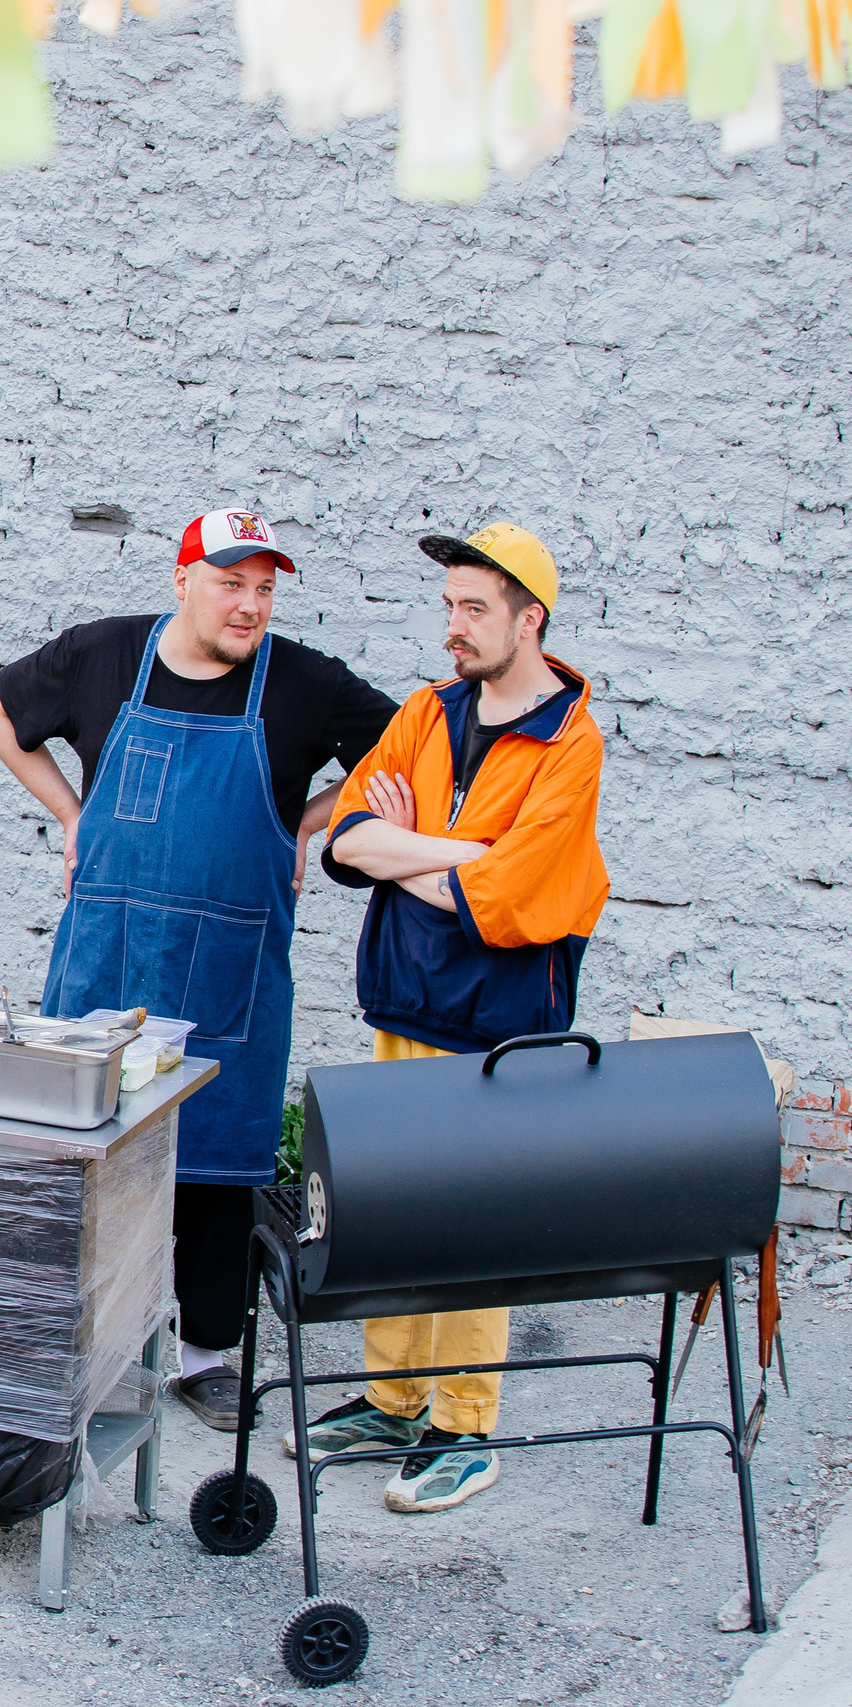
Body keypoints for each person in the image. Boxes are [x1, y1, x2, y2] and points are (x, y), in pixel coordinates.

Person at [0, 508, 399, 1432]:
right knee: (86, 1148)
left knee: (216, 1164)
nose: (249, 605)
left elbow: (406, 746)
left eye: (264, 589)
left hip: (230, 976)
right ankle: (74, 1339)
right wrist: (70, 811)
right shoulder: (104, 654)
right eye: (230, 582)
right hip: (109, 959)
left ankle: (205, 1356)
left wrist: (308, 823)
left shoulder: (302, 682)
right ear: (183, 579)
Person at [302, 522, 609, 1514]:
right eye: (448, 607)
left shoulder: (569, 740)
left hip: (499, 1020)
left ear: (529, 620)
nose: (452, 629)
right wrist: (456, 852)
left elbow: (520, 896)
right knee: (390, 1198)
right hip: (404, 992)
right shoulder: (429, 714)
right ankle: (393, 1402)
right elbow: (346, 839)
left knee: (473, 1220)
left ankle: (464, 1428)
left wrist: (413, 846)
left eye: (472, 609)